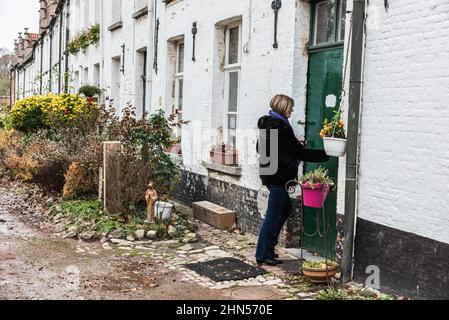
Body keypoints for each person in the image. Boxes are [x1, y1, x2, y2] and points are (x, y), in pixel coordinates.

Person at [255, 94, 329, 266]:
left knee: (285, 209)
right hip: (279, 178)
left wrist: (286, 149)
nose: (292, 110)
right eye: (290, 107)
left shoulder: (268, 124)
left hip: (270, 175)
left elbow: (261, 148)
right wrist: (326, 154)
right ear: (282, 107)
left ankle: (268, 248)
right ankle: (262, 254)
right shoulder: (283, 127)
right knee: (273, 216)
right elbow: (300, 153)